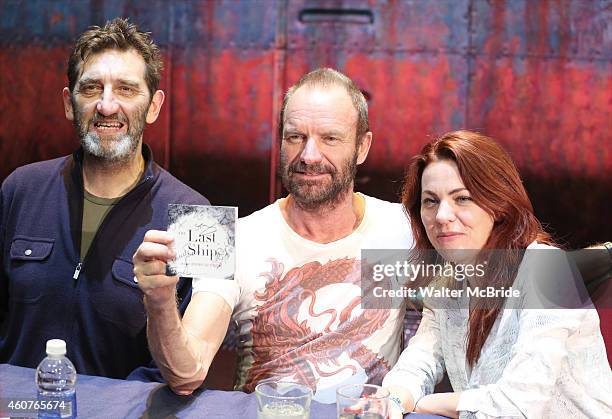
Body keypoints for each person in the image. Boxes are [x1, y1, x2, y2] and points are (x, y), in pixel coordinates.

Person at [133, 68, 414, 402]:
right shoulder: (235, 238)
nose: (309, 156)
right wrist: (161, 299)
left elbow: (461, 320)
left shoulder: (400, 230)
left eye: (330, 138)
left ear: (362, 146)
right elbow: (185, 374)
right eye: (295, 136)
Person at [0, 18, 209, 379]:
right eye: (92, 88)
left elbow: (188, 373)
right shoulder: (20, 189)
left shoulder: (197, 217)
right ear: (69, 103)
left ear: (154, 106)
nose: (107, 106)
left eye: (126, 90)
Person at [382, 130, 612, 418]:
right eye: (430, 201)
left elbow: (517, 406)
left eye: (462, 198)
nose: (442, 216)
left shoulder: (547, 270)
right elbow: (418, 364)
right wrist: (393, 398)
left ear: (499, 204)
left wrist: (420, 404)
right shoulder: (446, 283)